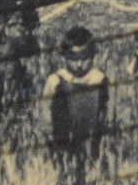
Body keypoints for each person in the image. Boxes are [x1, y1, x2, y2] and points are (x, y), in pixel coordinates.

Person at [42, 26, 110, 157]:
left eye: (84, 58)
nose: (79, 64)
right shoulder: (56, 80)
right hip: (61, 142)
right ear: (65, 57)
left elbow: (106, 112)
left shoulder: (99, 79)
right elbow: (45, 113)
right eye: (74, 59)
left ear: (92, 56)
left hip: (92, 142)